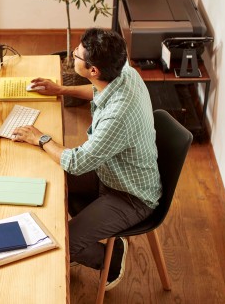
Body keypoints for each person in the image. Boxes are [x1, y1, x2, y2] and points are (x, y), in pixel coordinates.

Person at [12, 27, 161, 290]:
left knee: (61, 240)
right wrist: (60, 89)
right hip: (110, 170)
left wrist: (41, 138)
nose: (72, 53)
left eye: (78, 54)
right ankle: (79, 244)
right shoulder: (124, 72)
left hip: (130, 195)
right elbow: (99, 92)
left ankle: (111, 259)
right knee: (47, 179)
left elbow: (78, 162)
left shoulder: (118, 117)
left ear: (94, 70)